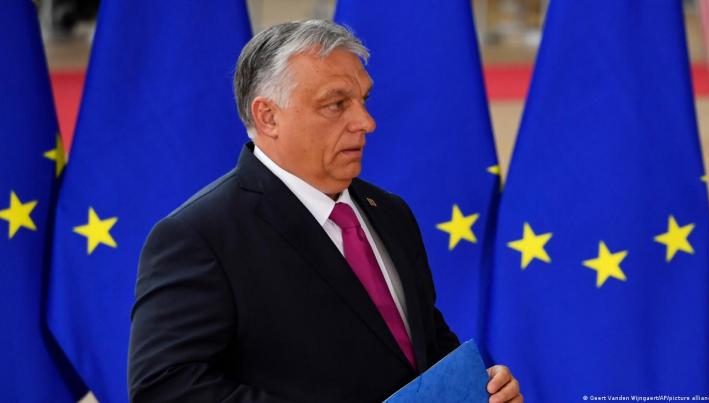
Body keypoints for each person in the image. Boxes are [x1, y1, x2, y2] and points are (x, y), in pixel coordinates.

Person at [128, 20, 522, 403]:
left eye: (363, 100)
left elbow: (423, 347)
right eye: (336, 104)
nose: (366, 122)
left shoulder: (391, 212)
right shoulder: (200, 235)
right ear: (268, 116)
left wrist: (480, 387)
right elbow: (165, 387)